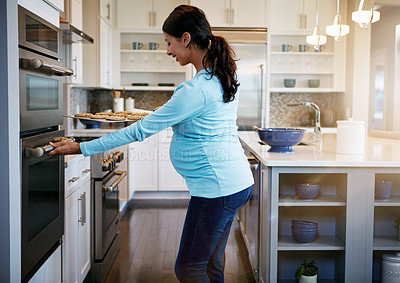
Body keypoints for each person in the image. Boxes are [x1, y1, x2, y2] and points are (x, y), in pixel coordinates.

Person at [49, 5, 254, 283]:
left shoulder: (195, 90)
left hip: (217, 189)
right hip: (234, 182)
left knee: (189, 269)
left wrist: (81, 147)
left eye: (169, 43)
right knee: (209, 266)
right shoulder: (219, 78)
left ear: (185, 39)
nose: (168, 51)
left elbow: (139, 131)